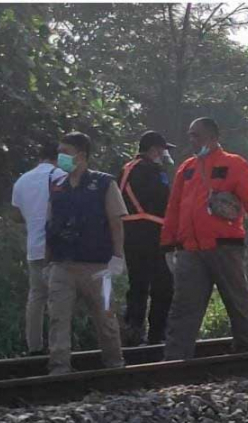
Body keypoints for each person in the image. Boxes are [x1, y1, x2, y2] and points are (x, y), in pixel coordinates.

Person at [161, 117, 248, 360]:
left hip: (224, 248)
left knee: (237, 304)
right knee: (183, 308)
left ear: (213, 137)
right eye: (190, 135)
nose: (192, 139)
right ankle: (174, 362)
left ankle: (246, 356)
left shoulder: (234, 164)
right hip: (191, 250)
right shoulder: (186, 169)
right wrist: (168, 244)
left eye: (196, 135)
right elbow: (173, 208)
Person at [45, 132, 127, 375]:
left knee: (106, 317)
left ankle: (115, 364)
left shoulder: (104, 183)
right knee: (58, 318)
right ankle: (59, 368)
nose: (61, 158)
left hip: (99, 267)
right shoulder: (57, 185)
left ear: (81, 156)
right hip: (62, 265)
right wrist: (47, 262)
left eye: (65, 153)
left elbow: (116, 221)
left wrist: (118, 256)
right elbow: (50, 225)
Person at [118, 131, 176, 346]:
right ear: (154, 149)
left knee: (138, 284)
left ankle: (133, 331)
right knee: (163, 285)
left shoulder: (125, 169)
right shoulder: (152, 170)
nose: (164, 154)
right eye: (163, 149)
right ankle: (157, 334)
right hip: (152, 231)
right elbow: (165, 199)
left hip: (130, 232)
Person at [11, 142, 66, 355]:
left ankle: (34, 346)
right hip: (59, 250)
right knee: (59, 299)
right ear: (58, 157)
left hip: (34, 248)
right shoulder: (61, 176)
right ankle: (57, 347)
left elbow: (15, 215)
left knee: (36, 298)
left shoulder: (22, 180)